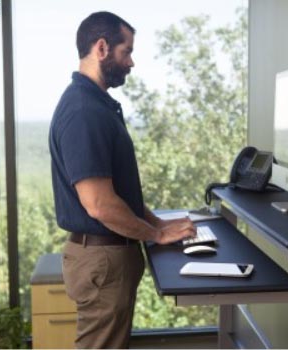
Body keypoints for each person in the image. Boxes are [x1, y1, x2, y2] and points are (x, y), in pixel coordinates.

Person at [48, 11, 196, 349]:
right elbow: (99, 204)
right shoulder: (84, 111)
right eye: (126, 51)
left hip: (107, 258)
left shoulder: (95, 105)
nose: (131, 62)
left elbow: (117, 193)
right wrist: (157, 234)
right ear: (101, 48)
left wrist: (158, 223)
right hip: (102, 260)